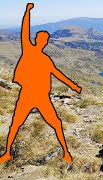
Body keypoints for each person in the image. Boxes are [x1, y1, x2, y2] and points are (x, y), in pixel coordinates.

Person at [0, 3, 82, 163]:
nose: (42, 41)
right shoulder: (28, 50)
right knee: (15, 124)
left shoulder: (46, 60)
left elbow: (58, 74)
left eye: (45, 40)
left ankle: (66, 152)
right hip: (28, 94)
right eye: (41, 38)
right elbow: (24, 31)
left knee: (56, 124)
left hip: (41, 97)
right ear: (37, 40)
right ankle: (8, 152)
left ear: (45, 42)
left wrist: (73, 86)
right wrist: (27, 12)